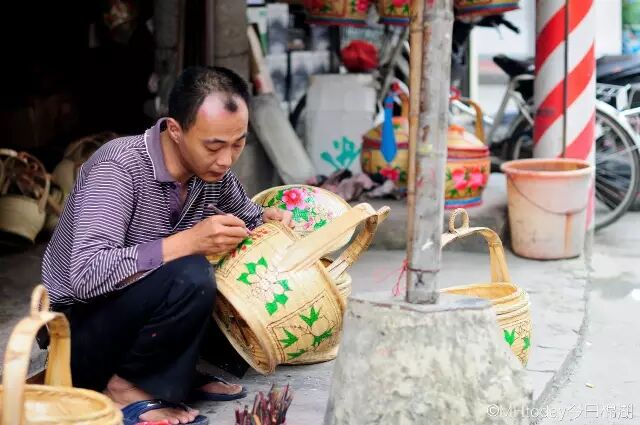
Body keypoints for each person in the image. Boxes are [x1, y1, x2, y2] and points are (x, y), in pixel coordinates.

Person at [41, 66, 292, 425]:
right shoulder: (118, 167)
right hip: (78, 331)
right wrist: (187, 241)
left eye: (237, 144)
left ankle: (176, 376)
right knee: (191, 272)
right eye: (214, 146)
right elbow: (85, 275)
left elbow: (250, 217)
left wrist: (272, 220)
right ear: (175, 130)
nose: (226, 159)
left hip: (136, 321)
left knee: (239, 268)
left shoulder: (212, 173)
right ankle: (125, 386)